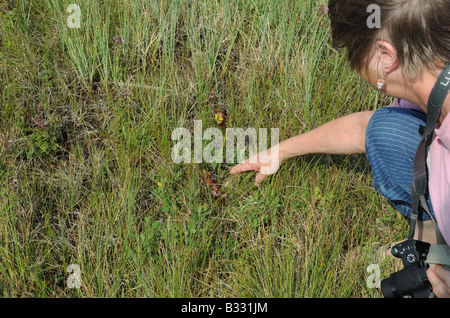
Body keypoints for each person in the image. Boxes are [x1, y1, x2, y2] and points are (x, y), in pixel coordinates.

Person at [230, 0, 450, 298]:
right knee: (385, 129)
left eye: (355, 53)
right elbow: (364, 129)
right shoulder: (434, 71)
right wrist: (281, 151)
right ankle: (425, 245)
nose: (356, 66)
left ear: (386, 55)